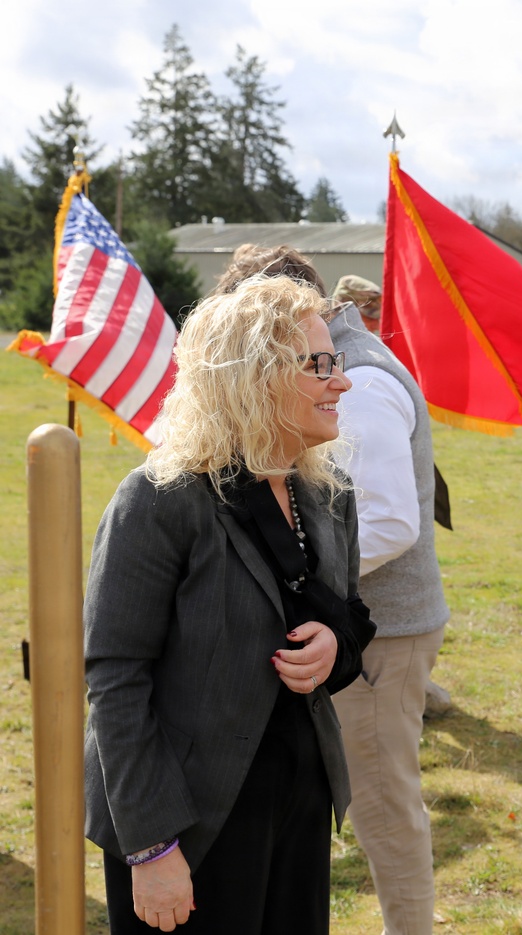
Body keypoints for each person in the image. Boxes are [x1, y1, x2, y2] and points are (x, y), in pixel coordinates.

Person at [84, 274, 376, 933]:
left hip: (297, 811)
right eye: (321, 364)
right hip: (187, 822)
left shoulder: (331, 495)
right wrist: (152, 844)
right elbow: (115, 677)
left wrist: (334, 649)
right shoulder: (161, 499)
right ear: (256, 374)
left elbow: (352, 620)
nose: (343, 381)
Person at [215, 247, 450, 935]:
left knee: (381, 806)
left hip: (382, 635)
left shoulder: (362, 379)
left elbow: (392, 521)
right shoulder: (342, 359)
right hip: (363, 627)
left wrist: (299, 586)